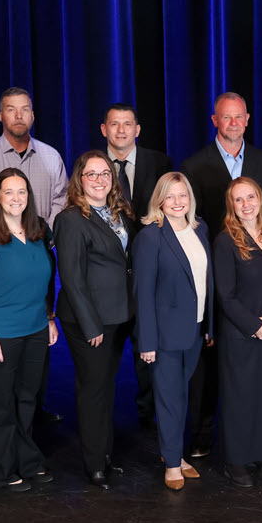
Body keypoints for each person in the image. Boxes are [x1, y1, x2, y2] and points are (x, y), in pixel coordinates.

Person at [179, 91, 262, 457]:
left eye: (239, 117)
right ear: (215, 121)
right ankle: (205, 430)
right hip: (216, 265)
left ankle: (256, 441)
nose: (233, 123)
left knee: (256, 368)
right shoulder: (195, 165)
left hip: (258, 272)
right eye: (226, 117)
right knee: (211, 358)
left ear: (248, 119)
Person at [0, 169, 57, 492]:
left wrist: (48, 319)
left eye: (22, 192)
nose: (16, 199)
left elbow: (42, 282)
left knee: (27, 398)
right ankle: (1, 469)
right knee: (0, 401)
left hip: (34, 330)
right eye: (9, 192)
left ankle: (27, 459)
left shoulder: (37, 231)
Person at [54, 151, 137, 490]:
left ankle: (105, 455)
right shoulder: (71, 219)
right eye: (92, 174)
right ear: (80, 180)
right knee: (92, 390)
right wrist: (91, 327)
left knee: (105, 388)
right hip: (89, 322)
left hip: (118, 316)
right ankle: (93, 465)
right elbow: (72, 279)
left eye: (105, 174)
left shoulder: (120, 212)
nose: (100, 180)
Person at [133, 172, 213, 490]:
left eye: (183, 195)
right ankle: (171, 461)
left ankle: (175, 455)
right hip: (164, 336)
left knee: (181, 395)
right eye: (171, 196)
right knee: (169, 398)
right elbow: (143, 292)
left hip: (194, 329)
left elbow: (206, 282)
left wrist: (208, 326)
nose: (178, 202)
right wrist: (147, 341)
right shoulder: (151, 236)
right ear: (160, 201)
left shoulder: (200, 228)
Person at [101, 103, 172, 429]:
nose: (121, 130)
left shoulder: (159, 162)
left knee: (149, 347)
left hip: (151, 272)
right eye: (114, 124)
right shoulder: (93, 166)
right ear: (104, 129)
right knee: (107, 357)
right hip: (108, 277)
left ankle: (149, 413)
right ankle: (104, 422)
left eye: (127, 124)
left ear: (137, 129)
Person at [213, 177, 262, 488]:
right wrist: (255, 326)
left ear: (260, 199)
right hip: (239, 332)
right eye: (238, 200)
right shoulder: (225, 241)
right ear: (232, 206)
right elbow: (225, 295)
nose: (246, 205)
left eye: (250, 197)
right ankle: (237, 460)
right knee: (239, 396)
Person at [0, 87, 68, 225]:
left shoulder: (52, 157)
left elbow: (62, 199)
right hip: (1, 243)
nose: (19, 116)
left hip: (45, 242)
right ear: (0, 116)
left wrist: (46, 234)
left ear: (32, 116)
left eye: (25, 109)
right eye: (11, 110)